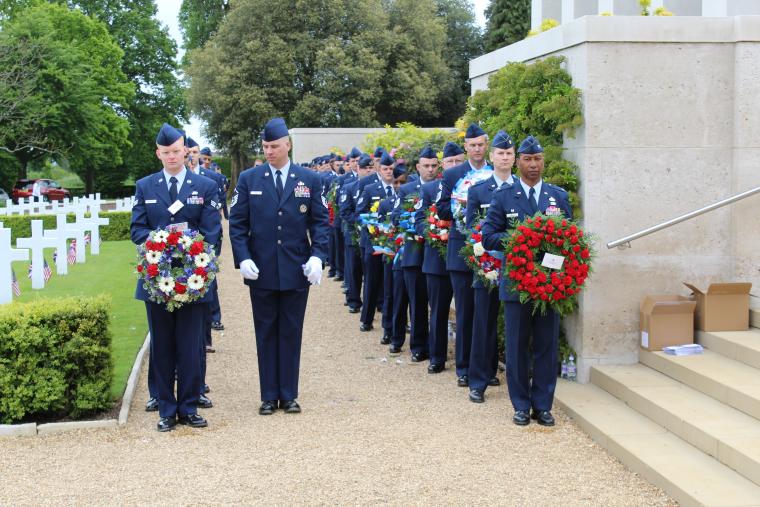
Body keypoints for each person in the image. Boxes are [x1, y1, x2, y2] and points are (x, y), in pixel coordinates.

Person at [229, 117, 329, 415]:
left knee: (291, 331)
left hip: (296, 268)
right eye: (265, 146)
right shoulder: (250, 179)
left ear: (288, 144)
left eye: (274, 146)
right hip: (261, 268)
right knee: (266, 331)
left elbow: (321, 222)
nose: (269, 151)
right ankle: (268, 395)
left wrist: (318, 256)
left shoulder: (309, 179)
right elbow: (237, 223)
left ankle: (289, 394)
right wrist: (242, 257)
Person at [131, 123, 221, 432]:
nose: (172, 156)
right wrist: (160, 241)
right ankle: (167, 409)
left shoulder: (205, 186)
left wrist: (191, 253)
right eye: (166, 152)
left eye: (177, 151)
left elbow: (212, 232)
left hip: (193, 280)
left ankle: (189, 406)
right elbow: (137, 230)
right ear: (158, 154)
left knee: (190, 345)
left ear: (185, 150)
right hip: (156, 280)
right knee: (163, 345)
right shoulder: (145, 186)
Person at [481, 135, 572, 426]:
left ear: (543, 161)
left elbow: (570, 238)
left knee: (546, 346)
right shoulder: (504, 196)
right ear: (518, 161)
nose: (533, 165)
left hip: (549, 284)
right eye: (528, 159)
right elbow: (488, 236)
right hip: (517, 283)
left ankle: (542, 405)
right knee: (518, 346)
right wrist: (520, 240)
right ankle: (520, 404)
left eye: (538, 159)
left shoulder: (557, 196)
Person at [435, 124, 492, 387]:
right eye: (473, 145)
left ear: (486, 145)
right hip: (461, 250)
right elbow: (442, 210)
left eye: (481, 144)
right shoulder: (453, 174)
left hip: (490, 252)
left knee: (489, 311)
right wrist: (462, 207)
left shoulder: (497, 172)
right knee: (466, 311)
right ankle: (465, 368)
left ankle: (488, 368)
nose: (477, 149)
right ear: (466, 147)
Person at [465, 131, 515, 403]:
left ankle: (511, 375)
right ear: (492, 156)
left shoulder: (522, 189)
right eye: (500, 153)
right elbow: (472, 229)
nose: (504, 157)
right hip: (486, 267)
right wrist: (485, 259)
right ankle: (478, 381)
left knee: (516, 324)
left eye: (509, 153)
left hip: (516, 268)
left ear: (514, 158)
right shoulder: (478, 190)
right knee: (483, 324)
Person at [389, 146, 439, 359]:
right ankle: (419, 347)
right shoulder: (407, 189)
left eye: (434, 166)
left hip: (436, 253)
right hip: (414, 253)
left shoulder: (442, 187)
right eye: (426, 166)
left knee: (436, 304)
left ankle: (437, 345)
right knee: (417, 302)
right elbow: (395, 218)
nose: (430, 170)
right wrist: (412, 219)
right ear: (418, 167)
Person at [355, 151, 396, 335]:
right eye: (385, 168)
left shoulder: (400, 189)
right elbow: (359, 213)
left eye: (391, 168)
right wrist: (375, 227)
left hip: (393, 244)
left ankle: (392, 320)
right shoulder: (370, 189)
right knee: (371, 282)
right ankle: (367, 319)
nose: (389, 172)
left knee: (390, 284)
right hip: (373, 242)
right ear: (379, 170)